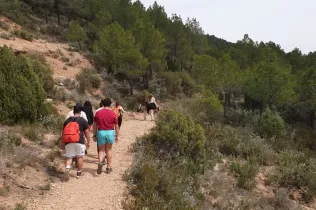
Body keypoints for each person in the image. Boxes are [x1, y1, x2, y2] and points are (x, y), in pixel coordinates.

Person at [60, 104, 90, 180]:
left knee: (69, 157)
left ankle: (67, 168)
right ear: (80, 112)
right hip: (79, 141)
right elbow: (87, 132)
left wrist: (63, 142)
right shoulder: (83, 120)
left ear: (73, 111)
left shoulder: (68, 120)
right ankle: (79, 173)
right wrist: (88, 142)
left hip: (68, 141)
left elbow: (63, 132)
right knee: (79, 157)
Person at [93, 98, 119, 174]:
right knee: (109, 150)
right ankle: (108, 167)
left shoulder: (98, 113)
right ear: (110, 104)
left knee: (101, 150)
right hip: (110, 132)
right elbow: (116, 126)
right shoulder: (113, 113)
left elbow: (95, 125)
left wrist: (94, 135)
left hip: (101, 132)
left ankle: (100, 162)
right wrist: (117, 136)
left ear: (103, 104)